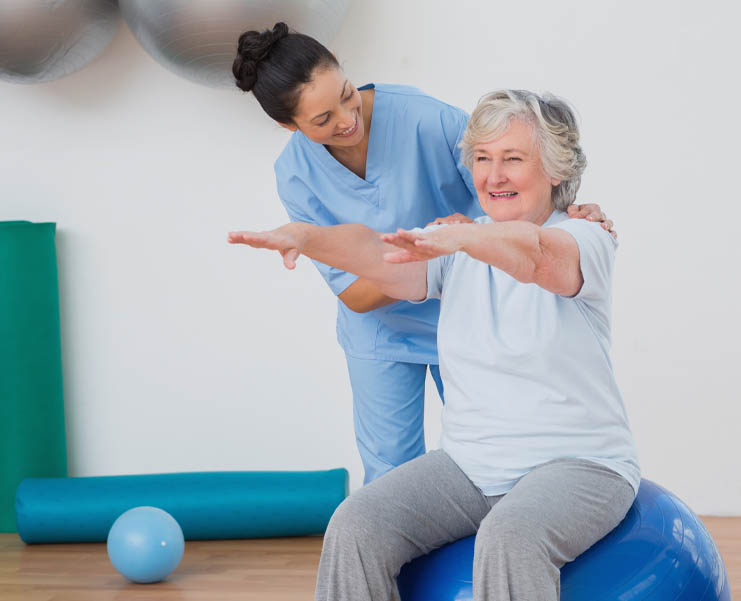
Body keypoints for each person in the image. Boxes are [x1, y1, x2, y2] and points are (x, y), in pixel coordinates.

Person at [229, 89, 640, 601]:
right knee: (357, 523)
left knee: (511, 536)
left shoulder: (584, 236)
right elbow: (377, 255)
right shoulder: (459, 241)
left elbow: (537, 258)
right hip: (470, 467)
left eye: (513, 159)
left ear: (555, 170)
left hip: (580, 465)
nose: (493, 176)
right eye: (483, 160)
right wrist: (308, 237)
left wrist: (466, 238)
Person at [232, 23, 615, 484]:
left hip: (476, 314)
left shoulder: (426, 119)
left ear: (341, 63)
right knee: (391, 476)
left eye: (346, 94)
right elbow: (354, 293)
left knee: (499, 464)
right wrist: (426, 257)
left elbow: (515, 187)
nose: (346, 118)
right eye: (322, 120)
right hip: (382, 333)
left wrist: (570, 212)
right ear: (286, 126)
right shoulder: (295, 174)